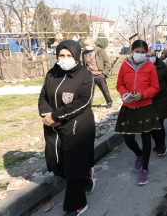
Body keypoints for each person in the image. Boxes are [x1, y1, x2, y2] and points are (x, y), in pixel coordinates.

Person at [39, 40, 96, 216]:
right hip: (53, 127)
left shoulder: (85, 75)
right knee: (56, 164)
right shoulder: (52, 73)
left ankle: (77, 204)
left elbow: (84, 102)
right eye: (61, 55)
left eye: (69, 56)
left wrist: (56, 116)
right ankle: (86, 175)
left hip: (77, 127)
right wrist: (47, 115)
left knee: (73, 166)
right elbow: (43, 96)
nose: (65, 59)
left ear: (76, 56)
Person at [115, 40, 160, 186]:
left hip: (145, 106)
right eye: (137, 51)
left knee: (146, 138)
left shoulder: (150, 67)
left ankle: (145, 169)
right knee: (128, 139)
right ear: (131, 51)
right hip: (129, 106)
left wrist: (143, 94)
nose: (140, 54)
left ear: (146, 52)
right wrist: (124, 93)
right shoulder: (125, 65)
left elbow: (155, 87)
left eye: (143, 52)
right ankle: (138, 154)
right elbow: (119, 84)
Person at [149, 49, 167, 156]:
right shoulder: (142, 68)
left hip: (161, 99)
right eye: (148, 56)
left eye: (152, 55)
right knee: (151, 125)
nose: (150, 57)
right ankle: (157, 143)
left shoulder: (162, 66)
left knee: (158, 123)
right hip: (147, 100)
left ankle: (162, 145)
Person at [82, 38, 113, 108]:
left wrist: (104, 74)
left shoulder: (100, 51)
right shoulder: (84, 53)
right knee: (89, 92)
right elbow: (84, 64)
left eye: (88, 45)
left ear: (93, 43)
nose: (86, 46)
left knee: (104, 90)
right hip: (89, 75)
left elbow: (107, 63)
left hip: (99, 74)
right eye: (85, 45)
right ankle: (88, 105)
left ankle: (109, 102)